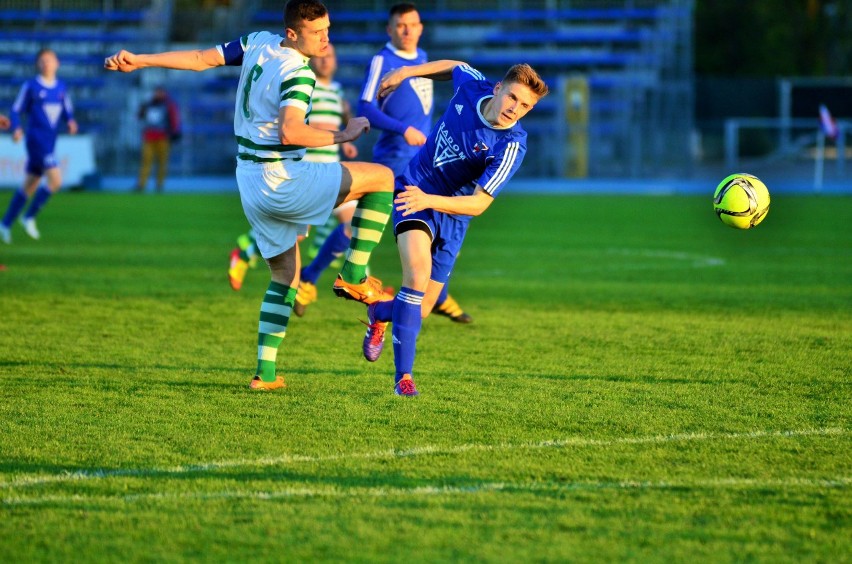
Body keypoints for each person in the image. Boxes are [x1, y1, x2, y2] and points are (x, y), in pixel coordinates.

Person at [105, 0, 398, 391]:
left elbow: (200, 58)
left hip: (249, 179)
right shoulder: (299, 72)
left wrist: (140, 60)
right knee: (381, 178)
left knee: (284, 277)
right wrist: (343, 134)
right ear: (293, 34)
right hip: (282, 177)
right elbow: (291, 132)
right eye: (317, 31)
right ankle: (354, 273)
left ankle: (266, 373)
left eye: (327, 28)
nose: (326, 37)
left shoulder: (258, 41)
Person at [361, 60, 549, 396]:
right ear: (497, 88)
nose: (515, 109)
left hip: (452, 213)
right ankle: (403, 379)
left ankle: (378, 311)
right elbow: (456, 66)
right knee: (416, 277)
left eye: (525, 106)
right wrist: (406, 72)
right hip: (413, 190)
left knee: (423, 309)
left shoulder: (510, 145)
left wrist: (431, 201)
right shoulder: (472, 86)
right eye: (513, 97)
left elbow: (478, 205)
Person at [354, 2, 472, 324]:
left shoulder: (422, 61)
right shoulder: (383, 59)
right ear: (390, 29)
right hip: (394, 161)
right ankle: (318, 278)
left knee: (438, 234)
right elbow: (364, 106)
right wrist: (401, 129)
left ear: (421, 28)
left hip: (426, 165)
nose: (408, 30)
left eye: (413, 24)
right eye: (401, 25)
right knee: (380, 225)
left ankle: (439, 297)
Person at [228, 42, 359, 297]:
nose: (325, 60)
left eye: (331, 55)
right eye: (323, 54)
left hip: (332, 167)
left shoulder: (337, 91)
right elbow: (299, 126)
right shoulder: (303, 81)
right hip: (308, 169)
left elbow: (339, 119)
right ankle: (246, 253)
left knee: (352, 225)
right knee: (297, 236)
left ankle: (342, 276)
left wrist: (347, 140)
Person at [1, 49, 78, 244]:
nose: (46, 64)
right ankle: (28, 217)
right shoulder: (31, 86)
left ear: (57, 63)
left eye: (49, 60)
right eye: (42, 61)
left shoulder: (61, 87)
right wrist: (17, 128)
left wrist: (70, 122)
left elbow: (67, 111)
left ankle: (6, 223)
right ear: (38, 64)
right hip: (36, 140)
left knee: (30, 184)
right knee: (55, 181)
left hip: (50, 141)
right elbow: (16, 110)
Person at [135, 86, 181, 193]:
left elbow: (174, 119)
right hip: (149, 137)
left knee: (162, 163)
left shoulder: (169, 105)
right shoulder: (147, 104)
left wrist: (175, 132)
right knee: (146, 161)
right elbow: (139, 117)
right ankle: (141, 185)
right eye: (157, 92)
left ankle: (159, 185)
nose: (158, 94)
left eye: (160, 92)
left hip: (163, 137)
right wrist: (141, 110)